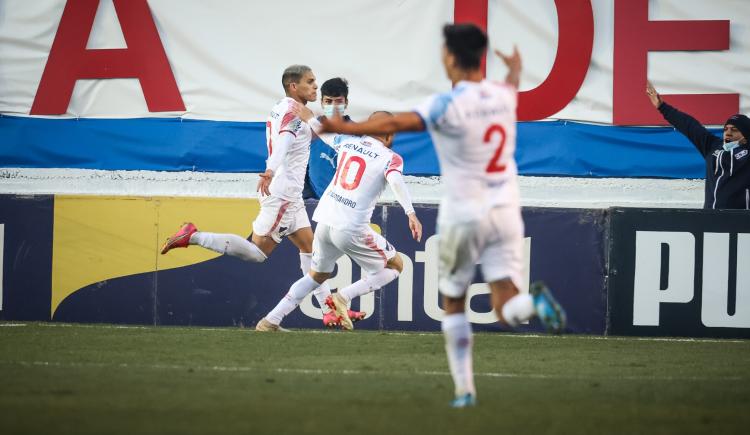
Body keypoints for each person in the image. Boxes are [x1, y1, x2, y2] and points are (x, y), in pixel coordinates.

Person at [318, 24, 566, 407]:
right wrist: (514, 71)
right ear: (481, 56)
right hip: (504, 211)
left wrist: (343, 126)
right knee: (506, 303)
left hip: (464, 213)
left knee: (454, 303)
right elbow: (510, 88)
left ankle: (465, 390)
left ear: (449, 58)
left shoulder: (446, 104)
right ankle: (534, 305)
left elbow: (393, 123)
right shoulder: (502, 96)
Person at [160, 65, 364, 329]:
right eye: (310, 82)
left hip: (291, 195)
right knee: (257, 253)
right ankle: (193, 236)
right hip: (283, 195)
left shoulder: (283, 107)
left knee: (310, 250)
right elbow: (284, 143)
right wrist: (269, 171)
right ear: (294, 86)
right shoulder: (293, 113)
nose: (315, 86)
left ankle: (328, 309)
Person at [255, 110, 422, 332]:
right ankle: (343, 297)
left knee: (316, 276)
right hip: (351, 227)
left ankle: (270, 320)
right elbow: (396, 181)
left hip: (325, 221)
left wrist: (309, 118)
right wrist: (410, 213)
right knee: (396, 265)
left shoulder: (348, 141)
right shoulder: (391, 157)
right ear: (390, 135)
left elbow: (325, 134)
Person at [646, 82, 750, 209]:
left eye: (734, 130)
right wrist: (662, 106)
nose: (728, 133)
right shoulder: (712, 146)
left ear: (745, 134)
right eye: (726, 129)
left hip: (741, 223)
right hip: (709, 219)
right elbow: (689, 126)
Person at [303, 77, 352, 199]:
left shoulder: (357, 134)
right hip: (313, 203)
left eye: (338, 101)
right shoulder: (308, 130)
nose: (333, 106)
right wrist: (307, 197)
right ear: (322, 103)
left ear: (346, 102)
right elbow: (297, 165)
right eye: (328, 101)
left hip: (344, 206)